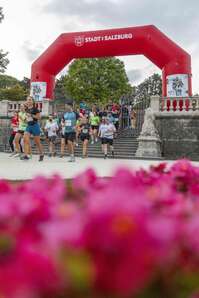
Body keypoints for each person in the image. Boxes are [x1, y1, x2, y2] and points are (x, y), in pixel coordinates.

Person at [20, 96, 44, 161]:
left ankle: (41, 154)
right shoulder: (26, 109)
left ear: (32, 101)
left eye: (30, 100)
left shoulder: (35, 109)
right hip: (28, 125)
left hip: (35, 126)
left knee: (37, 142)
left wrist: (31, 115)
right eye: (27, 100)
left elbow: (39, 117)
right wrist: (25, 119)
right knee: (25, 139)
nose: (29, 101)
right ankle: (26, 155)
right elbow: (27, 118)